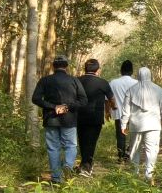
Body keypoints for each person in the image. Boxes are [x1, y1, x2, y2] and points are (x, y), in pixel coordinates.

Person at [30, 55, 88, 184]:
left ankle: (56, 177)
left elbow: (36, 98)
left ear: (53, 66)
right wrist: (68, 106)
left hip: (51, 119)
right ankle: (67, 166)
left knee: (53, 148)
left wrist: (53, 106)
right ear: (66, 66)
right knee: (71, 145)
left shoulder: (45, 80)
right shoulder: (74, 80)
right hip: (69, 119)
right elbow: (84, 100)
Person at [122, 66, 162, 184]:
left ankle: (134, 175)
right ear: (150, 75)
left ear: (138, 75)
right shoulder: (158, 90)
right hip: (153, 125)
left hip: (136, 125)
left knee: (134, 150)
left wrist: (123, 124)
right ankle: (149, 175)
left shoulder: (131, 90)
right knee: (152, 150)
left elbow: (125, 110)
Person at [76, 58, 115, 176]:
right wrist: (113, 108)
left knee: (82, 140)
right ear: (98, 70)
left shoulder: (77, 80)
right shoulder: (102, 82)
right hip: (95, 116)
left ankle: (84, 164)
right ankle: (86, 166)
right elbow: (111, 98)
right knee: (92, 141)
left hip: (79, 116)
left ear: (84, 68)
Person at [108, 60, 136, 163]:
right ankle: (129, 153)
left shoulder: (113, 82)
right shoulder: (137, 83)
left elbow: (108, 99)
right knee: (134, 134)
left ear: (121, 71)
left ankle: (121, 156)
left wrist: (107, 112)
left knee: (120, 135)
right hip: (134, 114)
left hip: (119, 113)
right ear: (132, 71)